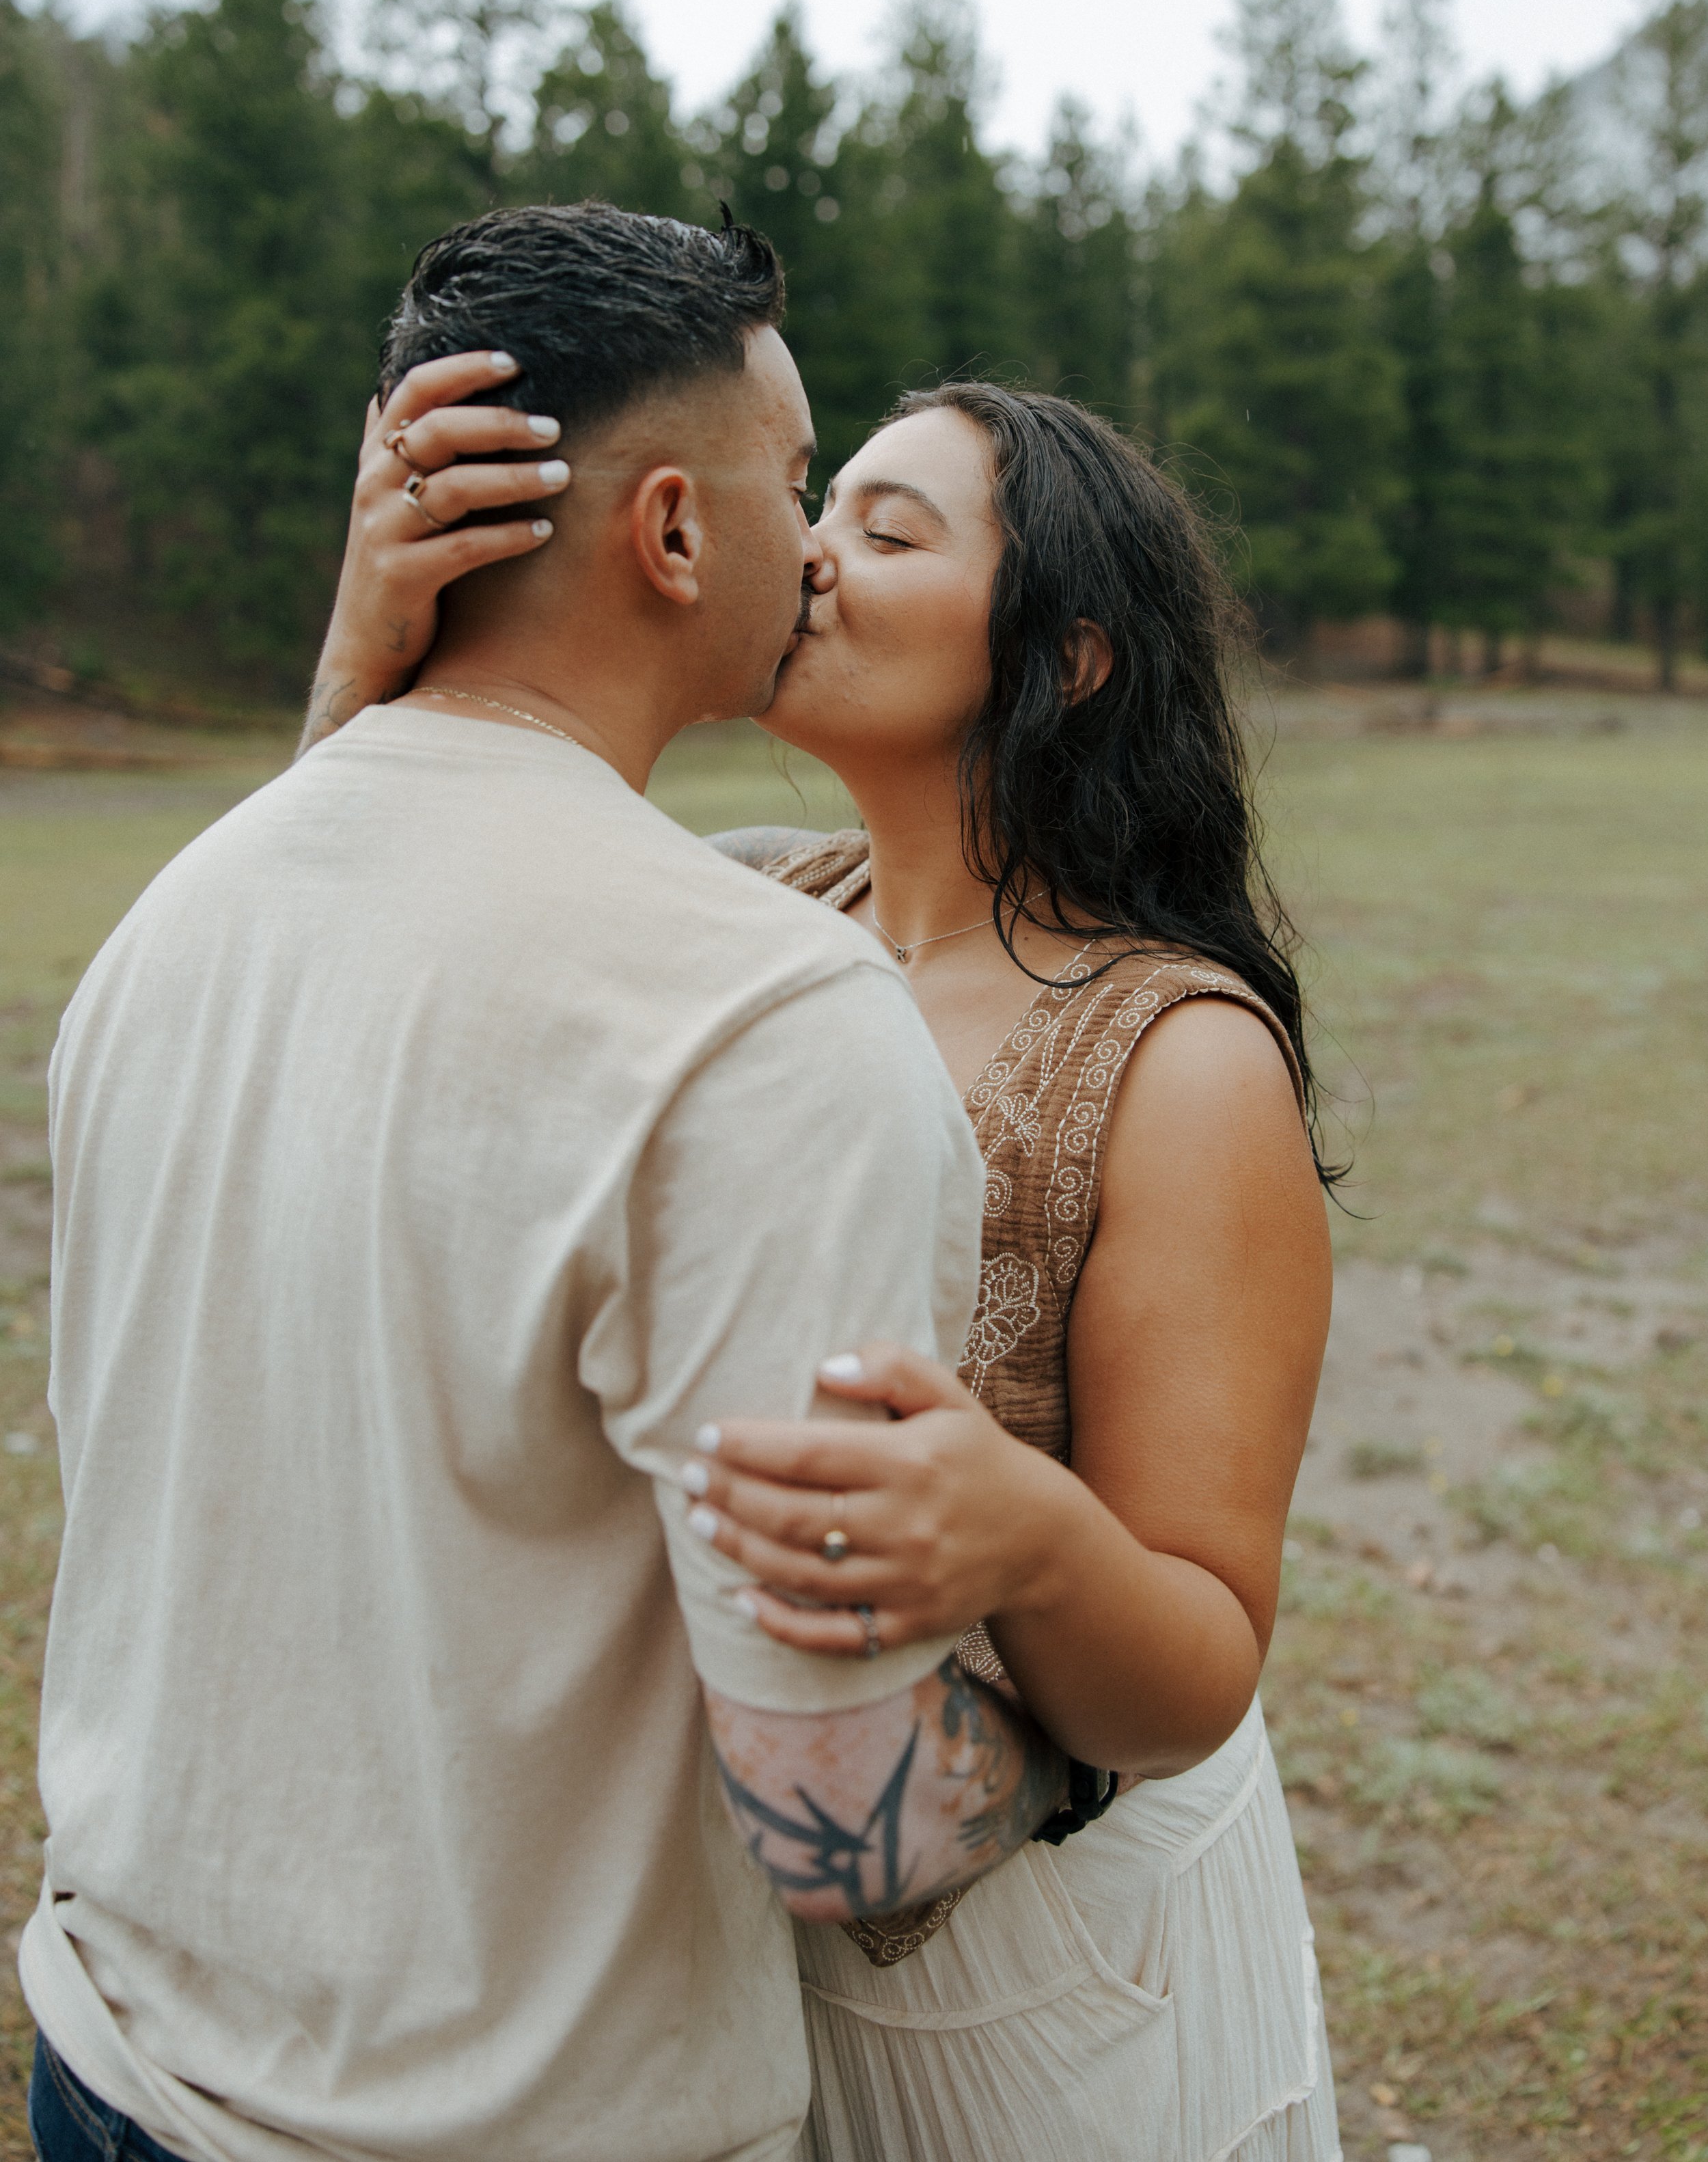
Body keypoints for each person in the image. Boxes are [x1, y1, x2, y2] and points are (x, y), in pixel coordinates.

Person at [23, 205, 1068, 2162]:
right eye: (790, 476)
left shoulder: (172, 928)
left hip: (108, 2058)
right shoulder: (767, 1024)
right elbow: (838, 1805)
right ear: (672, 533)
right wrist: (1095, 1750)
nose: (816, 542)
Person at [306, 351, 1344, 2159]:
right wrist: (366, 661)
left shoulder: (1179, 1067)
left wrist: (1023, 1531)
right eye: (818, 506)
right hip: (739, 1940)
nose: (808, 558)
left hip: (1056, 1979)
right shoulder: (742, 911)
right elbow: (360, 956)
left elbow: (1192, 1669)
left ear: (1069, 655)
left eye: (885, 527)